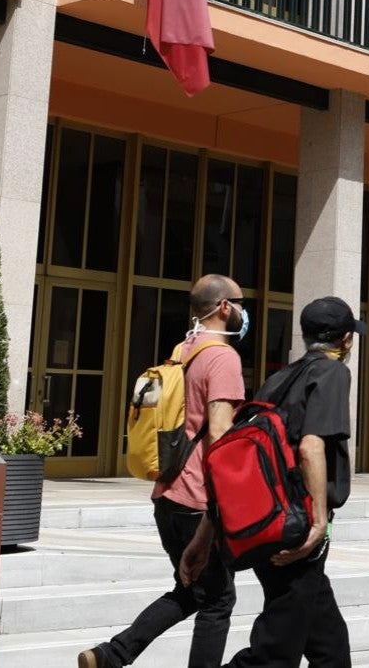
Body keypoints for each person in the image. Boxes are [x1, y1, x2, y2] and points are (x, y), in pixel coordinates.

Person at [80, 274, 246, 668]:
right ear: (224, 306)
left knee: (191, 590)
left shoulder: (183, 350)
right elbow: (220, 435)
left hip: (167, 494)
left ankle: (110, 655)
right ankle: (112, 655)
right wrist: (226, 501)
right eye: (240, 302)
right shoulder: (222, 356)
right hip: (198, 499)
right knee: (218, 601)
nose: (243, 310)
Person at [184, 296, 360, 667]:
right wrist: (318, 522)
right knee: (275, 652)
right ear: (345, 340)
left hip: (264, 521)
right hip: (297, 528)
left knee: (329, 647)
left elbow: (242, 465)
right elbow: (312, 446)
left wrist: (205, 537)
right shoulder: (332, 373)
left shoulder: (277, 380)